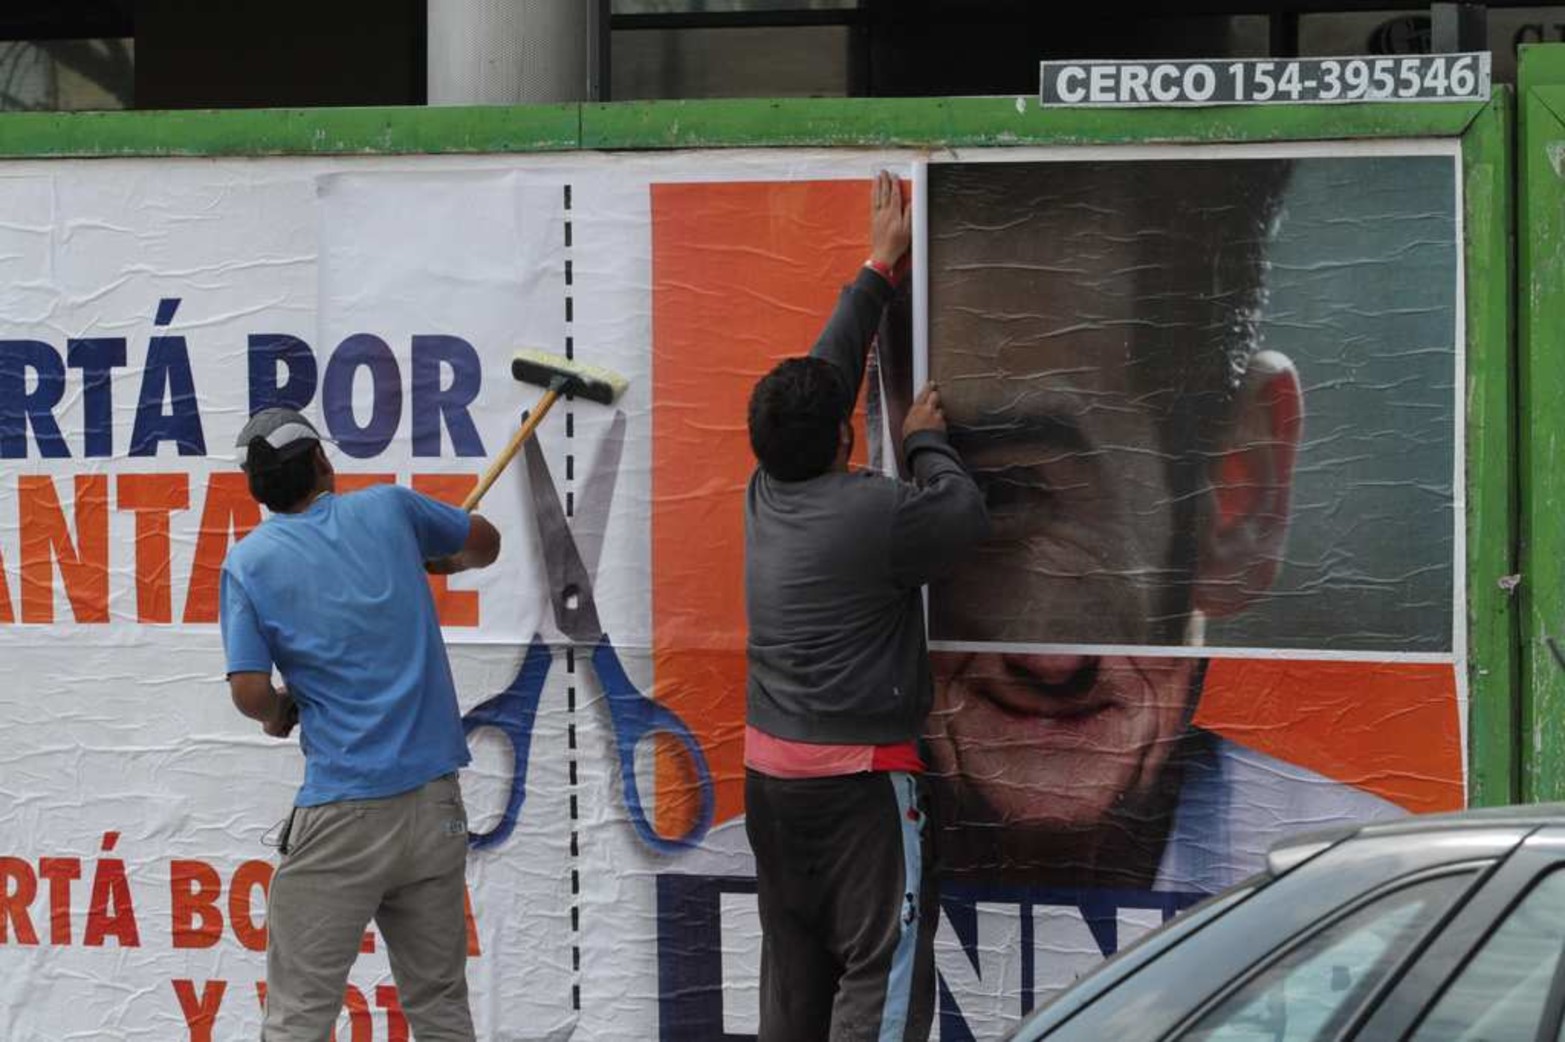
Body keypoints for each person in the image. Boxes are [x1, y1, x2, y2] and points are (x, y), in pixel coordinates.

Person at [918, 159, 1403, 894]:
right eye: (984, 494)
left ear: (1240, 499)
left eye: (1004, 490)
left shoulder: (1379, 896)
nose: (1049, 660)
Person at [742, 170, 990, 1042]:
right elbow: (963, 516)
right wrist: (925, 445)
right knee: (879, 977)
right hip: (861, 792)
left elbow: (823, 381)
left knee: (795, 981)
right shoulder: (876, 514)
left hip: (772, 786)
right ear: (847, 436)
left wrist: (877, 269)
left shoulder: (764, 493)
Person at [219, 407, 500, 1041]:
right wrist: (445, 559)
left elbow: (249, 690)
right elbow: (484, 542)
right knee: (440, 1006)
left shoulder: (250, 561)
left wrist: (279, 712)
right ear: (322, 462)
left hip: (343, 815)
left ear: (258, 490)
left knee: (299, 1018)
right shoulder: (389, 509)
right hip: (433, 806)